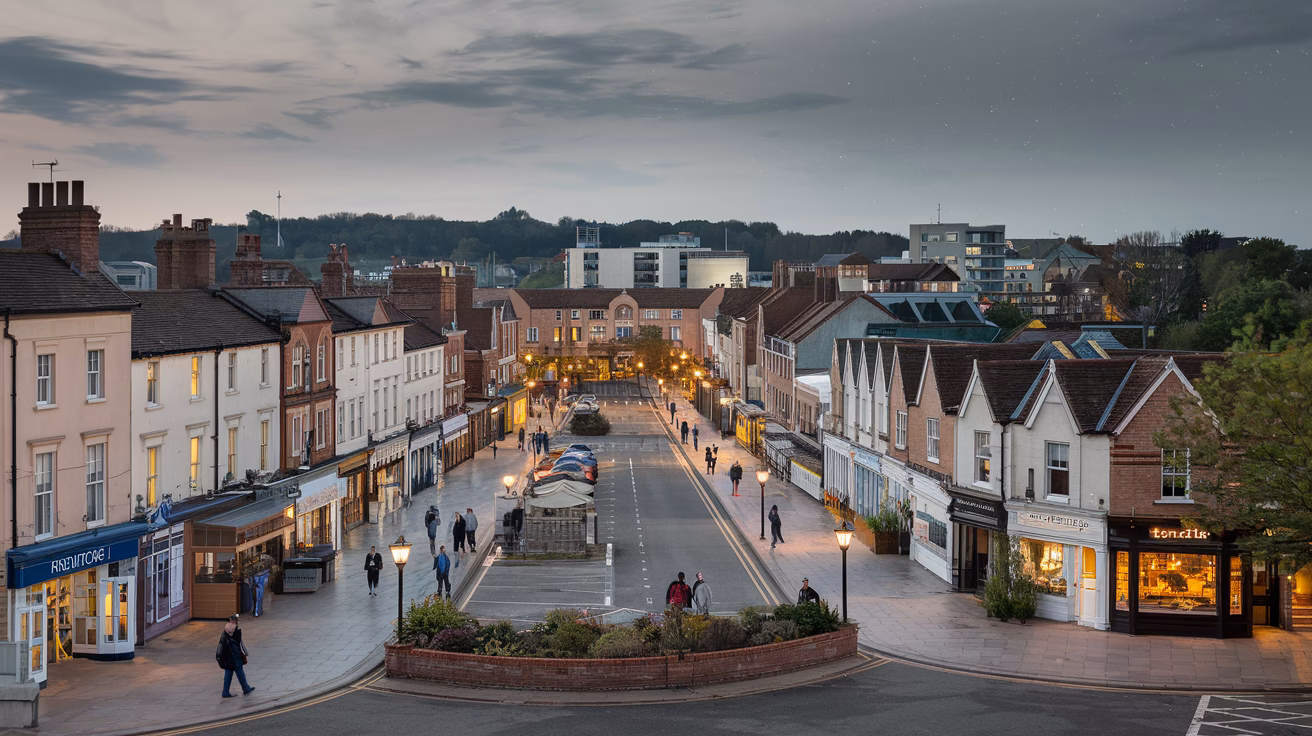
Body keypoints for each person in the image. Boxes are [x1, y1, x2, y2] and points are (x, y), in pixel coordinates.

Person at [216, 614, 255, 697]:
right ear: (236, 621)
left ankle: (225, 692)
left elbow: (221, 643)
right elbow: (240, 643)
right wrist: (245, 653)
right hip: (235, 655)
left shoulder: (225, 631)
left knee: (228, 673)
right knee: (240, 672)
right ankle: (246, 688)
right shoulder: (237, 630)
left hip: (227, 655)